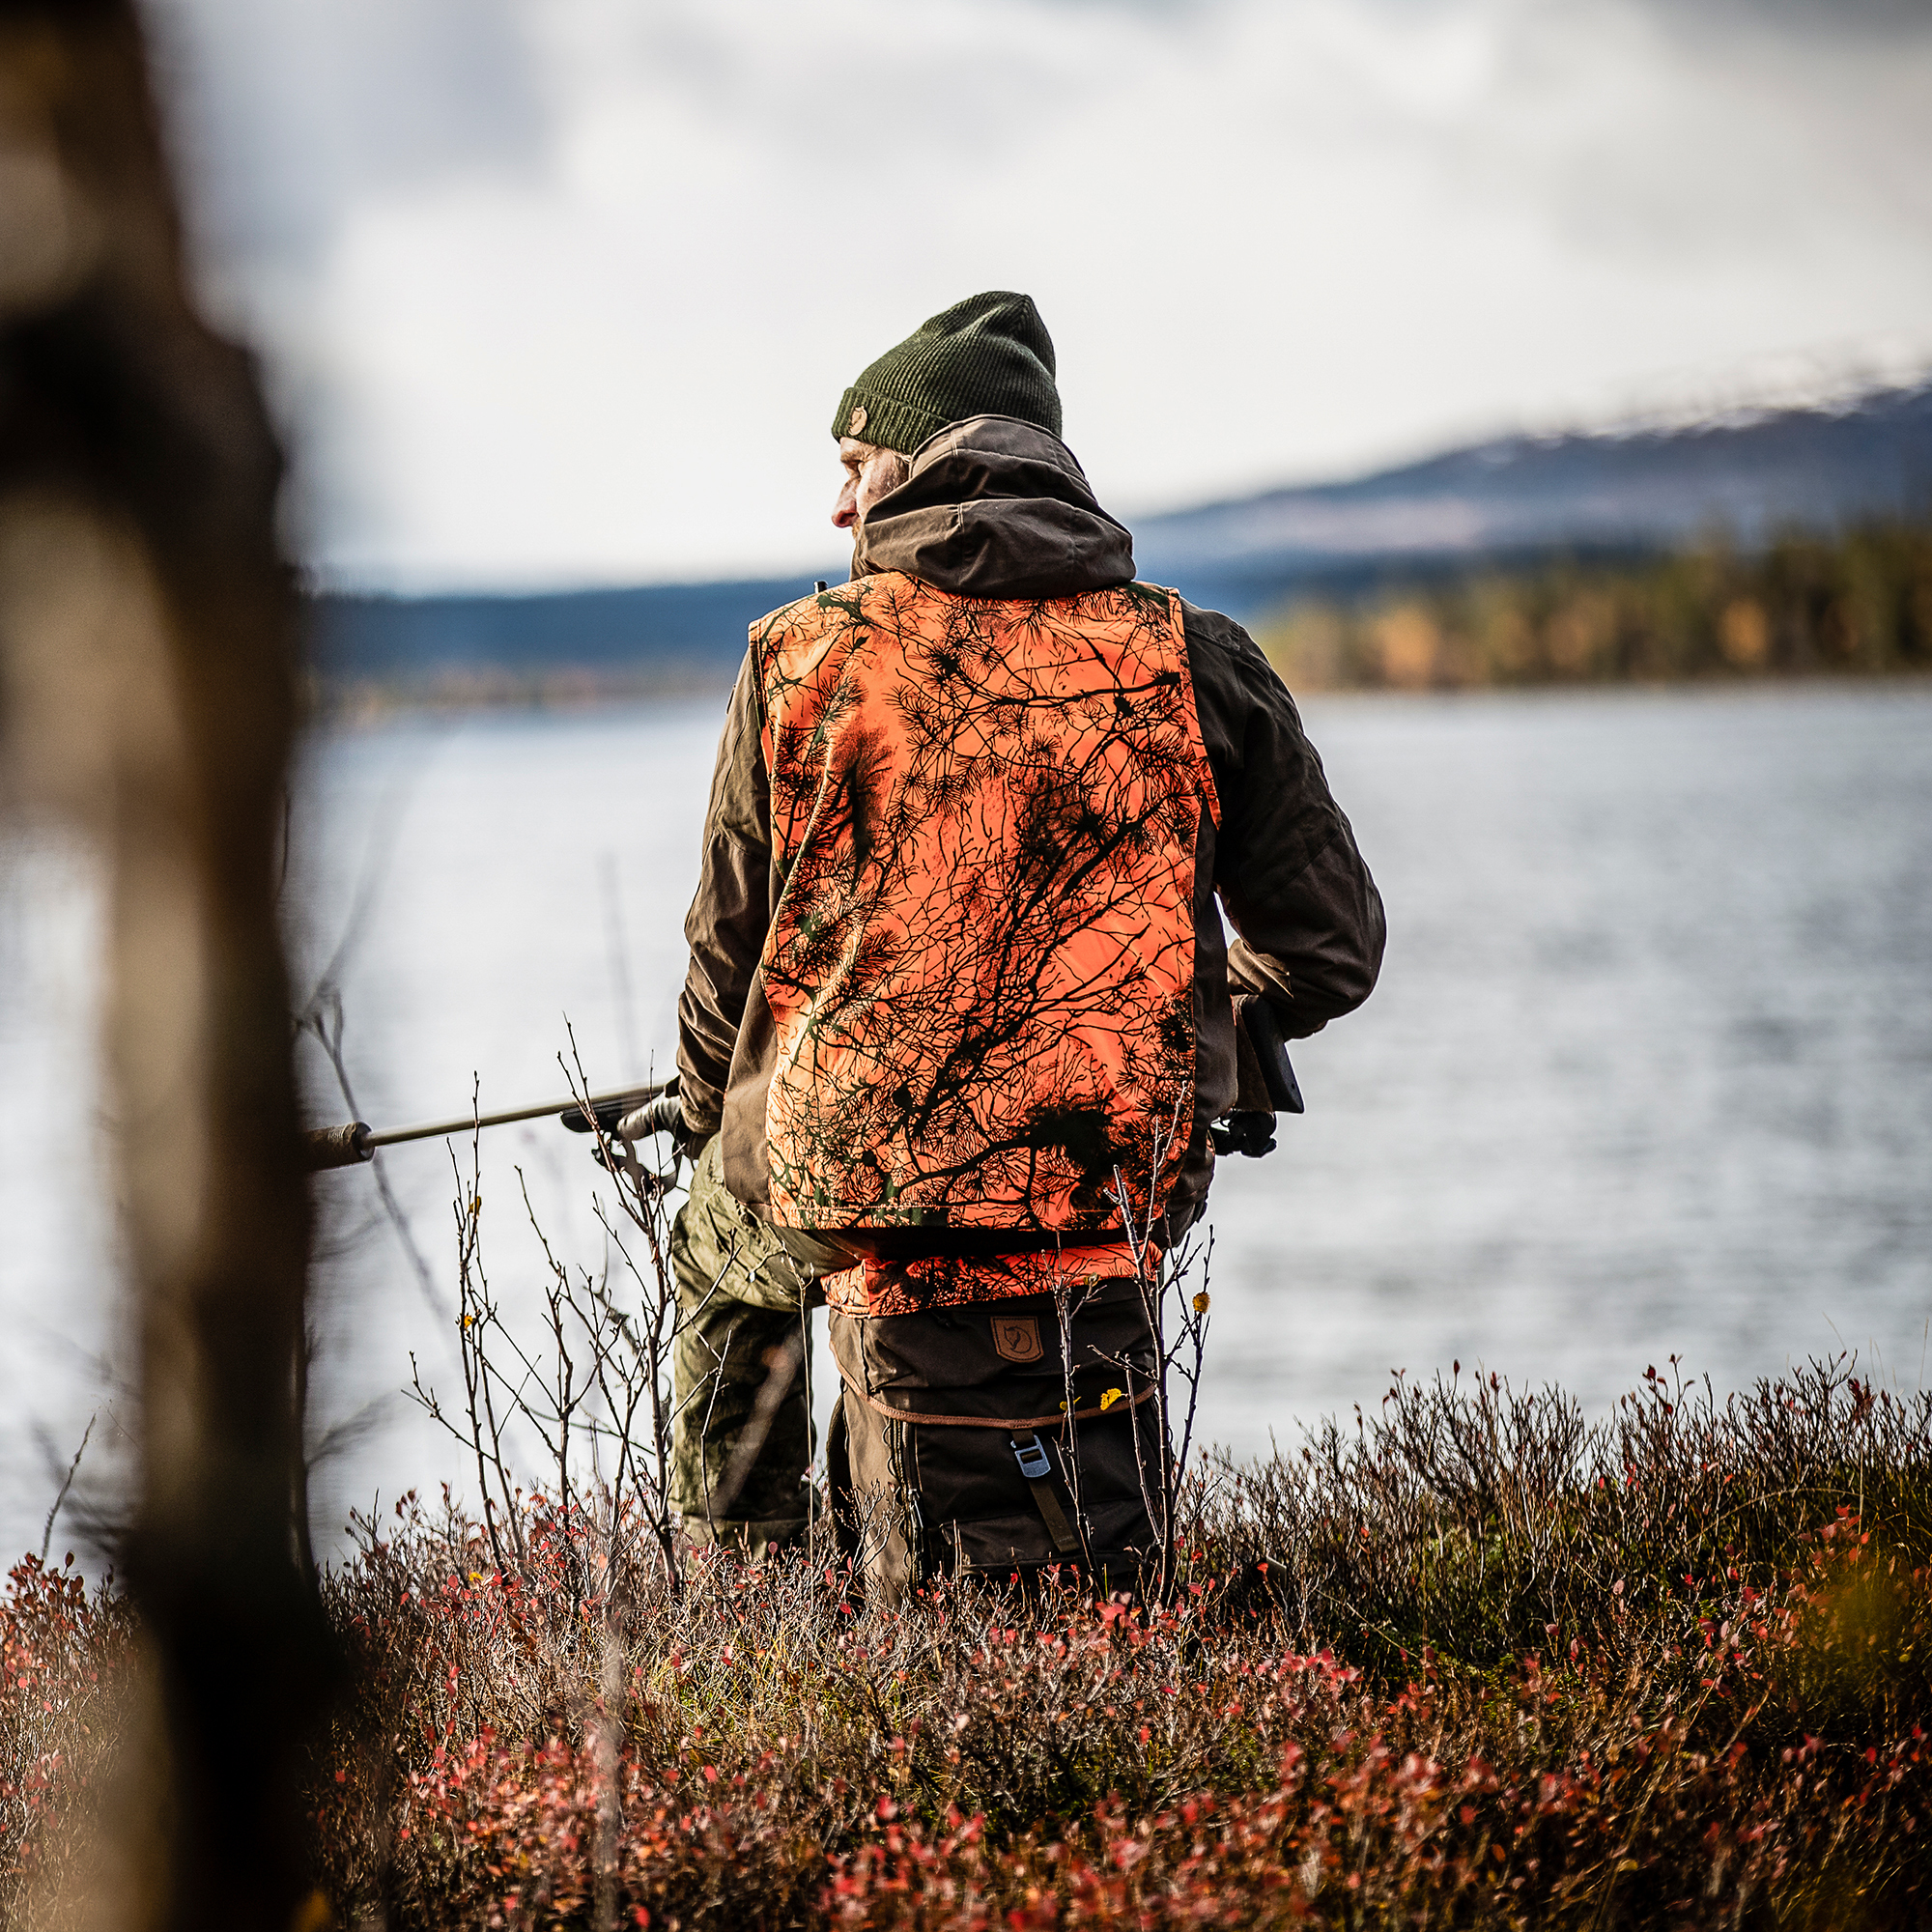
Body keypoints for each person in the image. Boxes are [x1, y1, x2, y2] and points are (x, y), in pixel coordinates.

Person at [666, 292, 1383, 1596]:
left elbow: (724, 1004)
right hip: (1109, 1197)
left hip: (870, 1209)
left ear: (918, 463)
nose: (839, 509)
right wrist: (1199, 1016)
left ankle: (743, 1608)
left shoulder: (798, 661)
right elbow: (1331, 953)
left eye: (852, 467)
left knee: (721, 1226)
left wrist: (715, 1105)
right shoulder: (1198, 660)